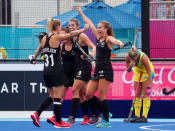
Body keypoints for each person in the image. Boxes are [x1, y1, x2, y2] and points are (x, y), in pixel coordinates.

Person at [30, 18, 89, 128]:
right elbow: (71, 34)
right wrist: (83, 29)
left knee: (52, 97)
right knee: (57, 97)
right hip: (55, 71)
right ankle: (58, 121)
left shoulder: (44, 38)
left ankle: (37, 113)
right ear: (57, 27)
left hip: (46, 71)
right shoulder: (56, 37)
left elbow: (38, 49)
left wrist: (34, 58)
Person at [76, 7, 124, 128]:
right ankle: (106, 113)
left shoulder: (108, 39)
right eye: (98, 27)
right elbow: (89, 23)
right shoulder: (98, 37)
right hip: (97, 69)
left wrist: (120, 43)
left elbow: (114, 39)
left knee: (102, 96)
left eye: (100, 27)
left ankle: (106, 121)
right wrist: (81, 12)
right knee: (89, 94)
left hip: (106, 69)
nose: (98, 29)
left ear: (106, 29)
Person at [67, 18, 96, 125]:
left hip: (84, 67)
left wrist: (91, 56)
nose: (71, 27)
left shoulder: (82, 36)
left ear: (77, 26)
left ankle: (72, 117)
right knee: (84, 93)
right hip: (77, 68)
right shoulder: (70, 37)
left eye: (73, 25)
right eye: (69, 25)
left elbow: (93, 47)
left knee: (75, 89)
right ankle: (94, 115)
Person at [46, 27, 75, 125]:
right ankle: (56, 117)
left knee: (86, 95)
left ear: (68, 35)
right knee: (60, 98)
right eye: (61, 35)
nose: (62, 37)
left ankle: (99, 114)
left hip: (76, 74)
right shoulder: (61, 46)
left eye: (64, 34)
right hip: (65, 75)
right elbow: (58, 59)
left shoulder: (75, 45)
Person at [125, 46, 155, 123]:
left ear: (137, 55)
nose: (134, 60)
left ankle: (144, 116)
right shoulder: (127, 57)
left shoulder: (143, 58)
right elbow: (128, 70)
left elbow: (149, 72)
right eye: (132, 59)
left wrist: (149, 84)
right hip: (138, 71)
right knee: (137, 94)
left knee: (145, 94)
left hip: (146, 72)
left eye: (135, 59)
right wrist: (130, 66)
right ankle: (136, 116)